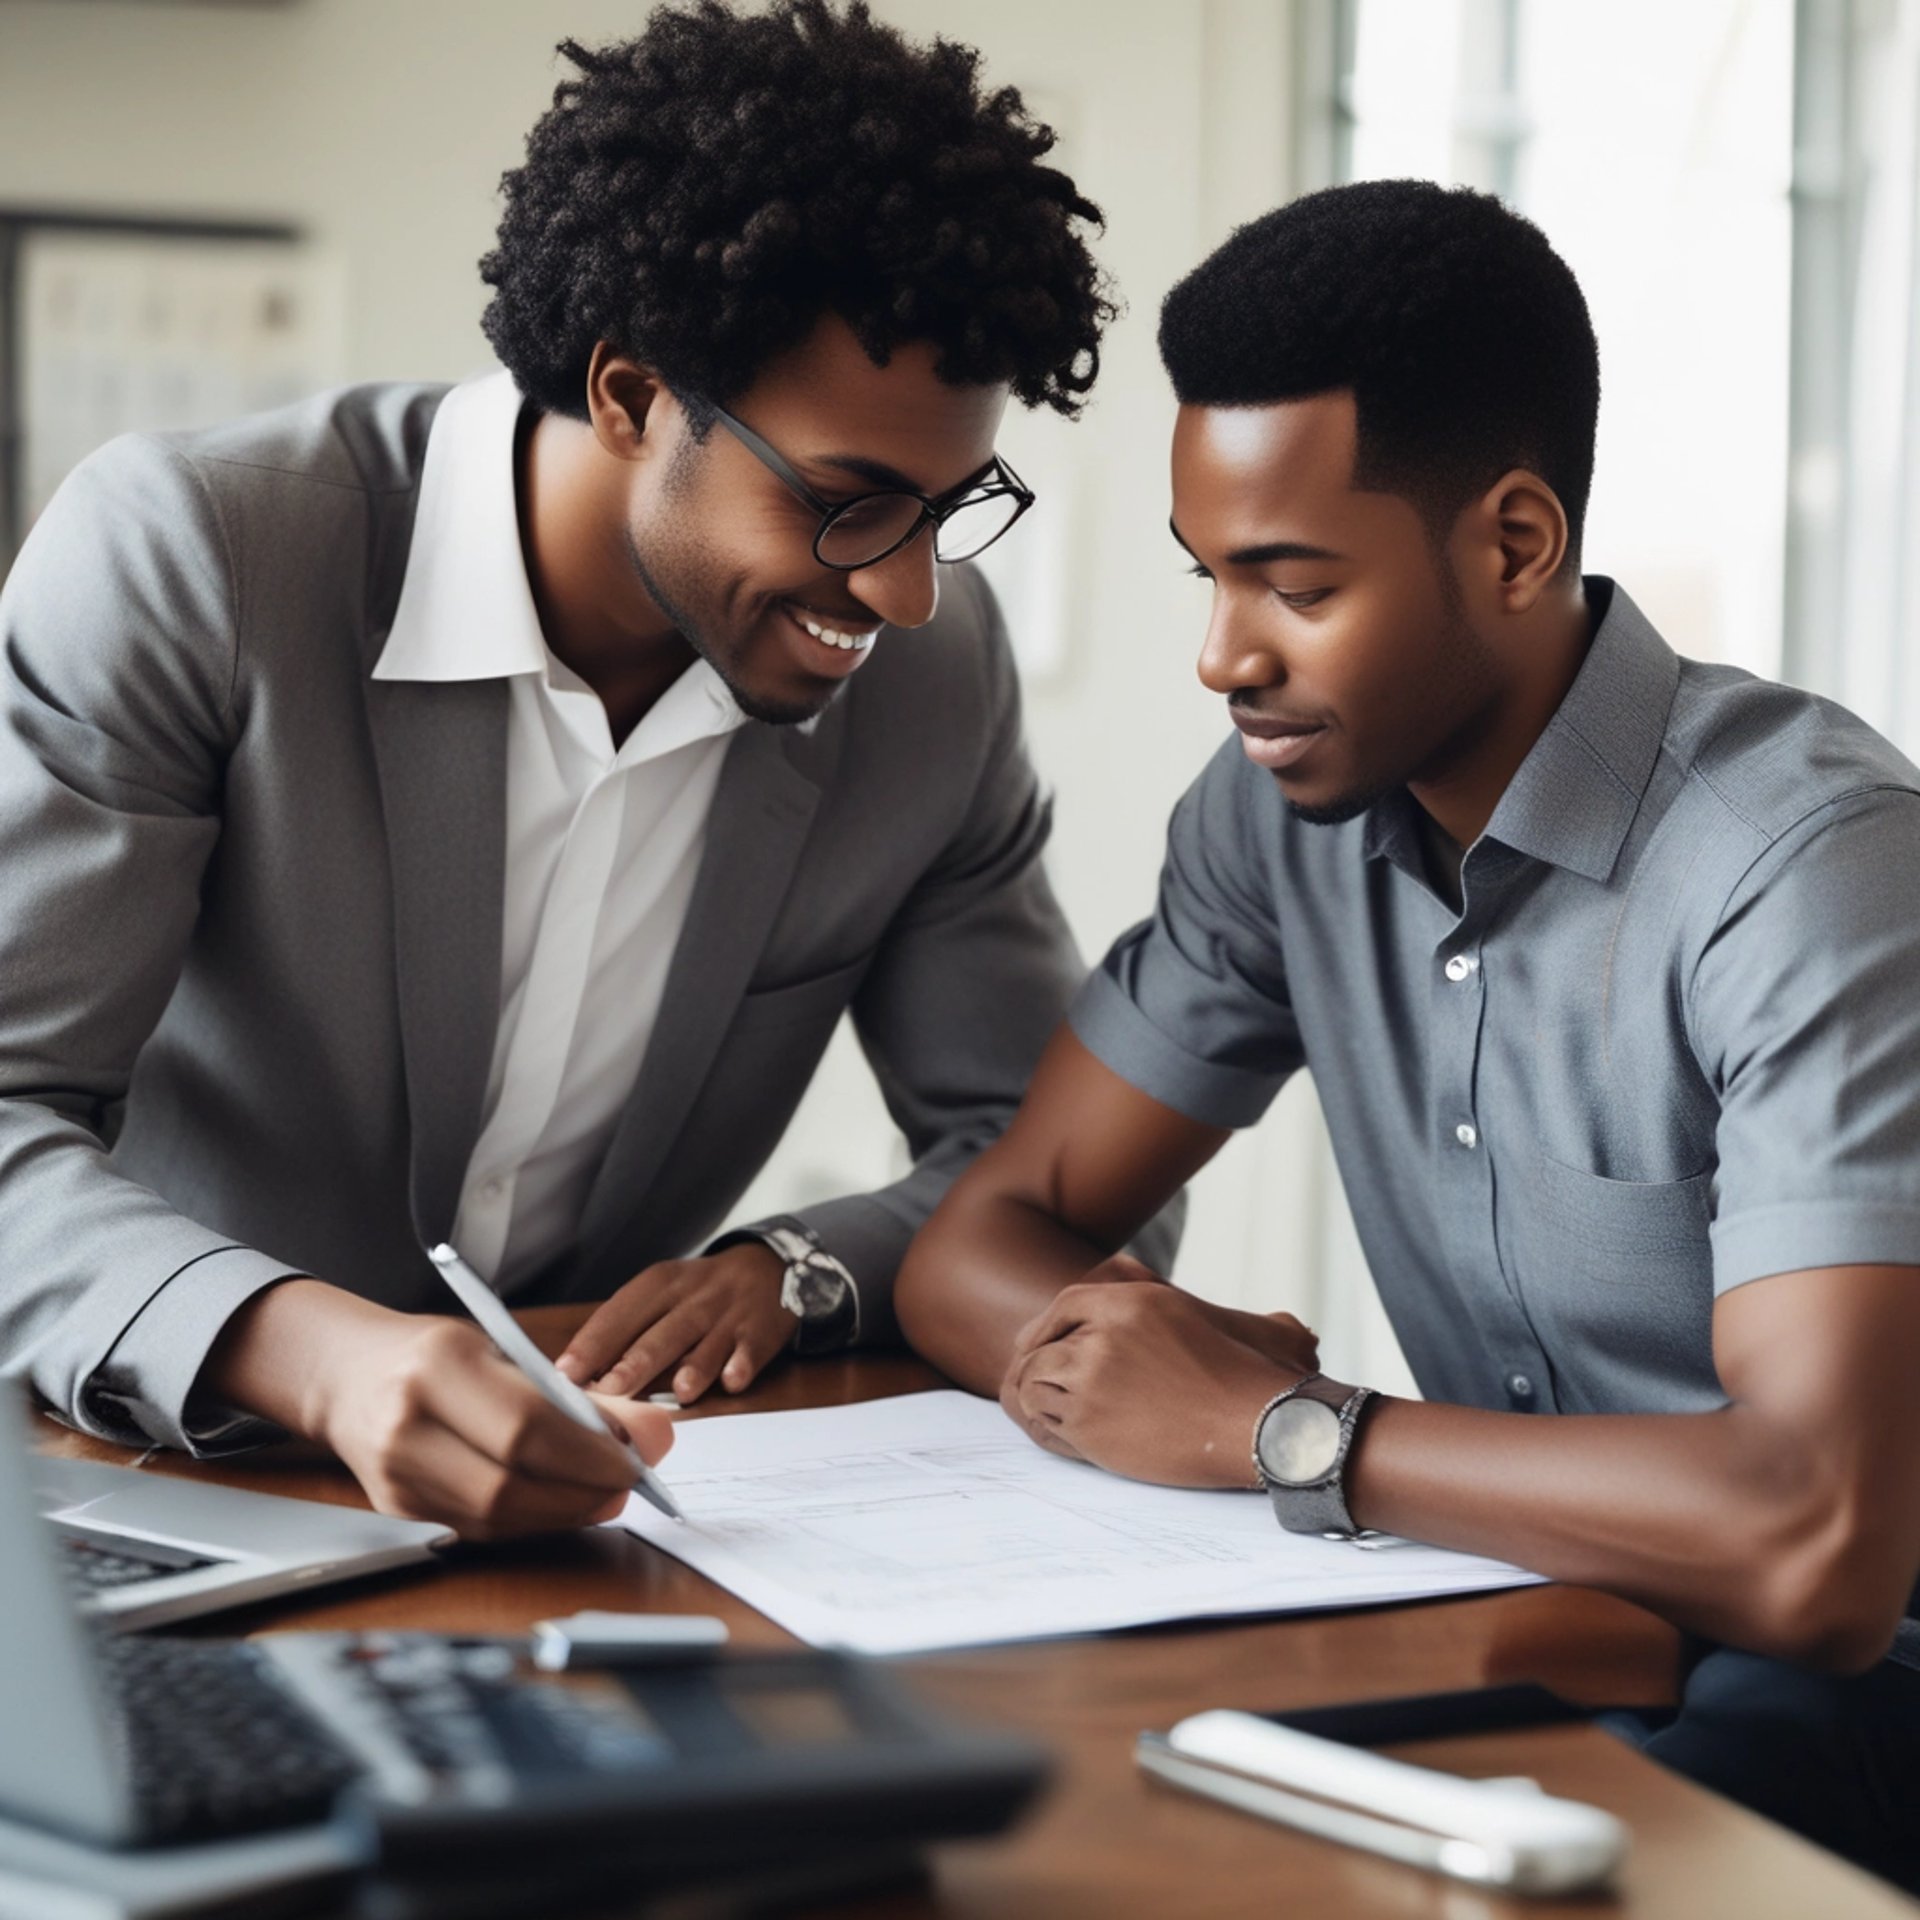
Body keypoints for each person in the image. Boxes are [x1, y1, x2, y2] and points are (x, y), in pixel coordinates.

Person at [0, 0, 1177, 1541]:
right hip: (139, 1486)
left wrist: (794, 1272)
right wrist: (322, 1359)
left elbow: (1077, 1178)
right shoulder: (199, 558)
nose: (902, 591)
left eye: (951, 507)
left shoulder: (928, 686)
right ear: (627, 395)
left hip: (606, 1507)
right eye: (847, 502)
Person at [894, 179, 1920, 1890]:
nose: (1225, 658)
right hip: (1537, 1613)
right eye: (1208, 577)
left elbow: (1816, 1545)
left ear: (1514, 545)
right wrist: (1153, 1370)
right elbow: (977, 1247)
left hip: (1864, 1678)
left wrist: (1290, 1427)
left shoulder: (1807, 875)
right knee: (1006, 1817)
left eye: (1291, 586)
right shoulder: (1277, 817)